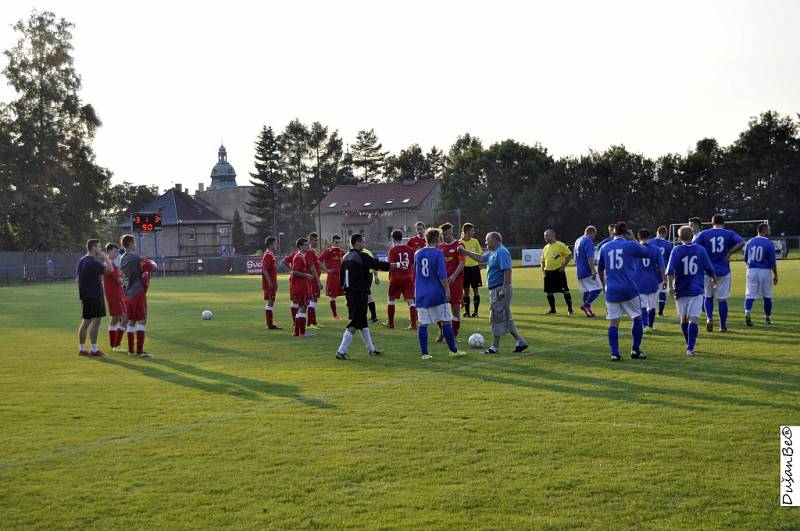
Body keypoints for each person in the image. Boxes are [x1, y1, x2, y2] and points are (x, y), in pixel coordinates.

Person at [335, 234, 404, 360]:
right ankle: (341, 351)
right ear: (356, 243)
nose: (364, 245)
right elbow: (378, 264)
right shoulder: (361, 256)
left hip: (351, 293)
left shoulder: (345, 257)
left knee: (362, 322)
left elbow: (341, 278)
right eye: (362, 243)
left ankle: (371, 349)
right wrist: (399, 265)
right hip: (358, 293)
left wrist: (347, 293)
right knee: (354, 323)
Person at [460, 231, 527, 355]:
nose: (486, 242)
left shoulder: (501, 252)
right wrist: (464, 252)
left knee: (495, 318)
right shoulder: (492, 252)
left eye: (488, 240)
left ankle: (494, 347)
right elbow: (479, 258)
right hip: (496, 290)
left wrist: (504, 289)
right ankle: (520, 341)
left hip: (499, 289)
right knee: (506, 317)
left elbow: (508, 271)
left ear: (496, 240)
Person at [597, 222, 650, 361]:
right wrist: (633, 238)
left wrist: (603, 285)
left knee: (613, 322)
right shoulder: (630, 244)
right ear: (626, 233)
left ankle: (615, 353)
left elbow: (600, 268)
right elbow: (646, 252)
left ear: (613, 233)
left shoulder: (604, 247)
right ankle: (635, 350)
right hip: (629, 288)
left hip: (612, 290)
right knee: (637, 318)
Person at [414, 228, 468, 359]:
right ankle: (453, 351)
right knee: (445, 321)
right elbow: (442, 276)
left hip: (421, 294)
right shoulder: (438, 253)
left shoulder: (417, 253)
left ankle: (425, 354)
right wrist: (447, 291)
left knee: (423, 324)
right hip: (436, 293)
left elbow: (415, 273)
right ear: (437, 239)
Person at [667, 226, 717, 356]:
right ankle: (690, 348)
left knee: (684, 319)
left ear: (679, 238)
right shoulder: (700, 249)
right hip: (696, 289)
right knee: (693, 319)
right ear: (692, 236)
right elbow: (709, 267)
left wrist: (670, 287)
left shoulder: (676, 250)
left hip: (681, 289)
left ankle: (689, 344)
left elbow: (670, 270)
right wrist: (714, 278)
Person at [692, 214, 745, 332]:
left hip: (708, 270)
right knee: (722, 299)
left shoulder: (705, 233)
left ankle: (709, 318)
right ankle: (722, 326)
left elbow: (694, 245)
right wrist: (729, 253)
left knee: (708, 296)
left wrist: (703, 257)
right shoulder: (729, 233)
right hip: (723, 270)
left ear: (712, 223)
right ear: (723, 223)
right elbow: (742, 243)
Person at [120, 234, 157, 357]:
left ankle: (131, 350)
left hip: (127, 293)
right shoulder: (136, 257)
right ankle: (140, 351)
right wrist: (152, 264)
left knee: (131, 321)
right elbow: (151, 266)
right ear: (130, 244)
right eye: (134, 242)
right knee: (142, 320)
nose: (135, 245)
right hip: (138, 292)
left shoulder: (122, 258)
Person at [77, 239, 113, 357]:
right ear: (93, 248)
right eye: (99, 247)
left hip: (84, 295)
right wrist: (106, 258)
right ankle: (93, 350)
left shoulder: (81, 261)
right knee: (96, 321)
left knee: (86, 321)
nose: (100, 249)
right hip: (95, 295)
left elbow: (78, 279)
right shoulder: (93, 262)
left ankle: (82, 349)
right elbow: (110, 270)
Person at [743, 223, 778, 326]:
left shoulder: (750, 242)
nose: (770, 232)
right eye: (769, 230)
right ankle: (767, 318)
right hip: (764, 271)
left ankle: (747, 313)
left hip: (752, 270)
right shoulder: (769, 244)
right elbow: (772, 262)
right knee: (767, 296)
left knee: (750, 294)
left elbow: (745, 258)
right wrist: (775, 275)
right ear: (764, 231)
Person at [437, 223, 465, 340]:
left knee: (455, 309)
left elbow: (462, 263)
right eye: (442, 234)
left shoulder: (459, 245)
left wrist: (454, 276)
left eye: (446, 234)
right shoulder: (439, 247)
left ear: (451, 233)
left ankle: (453, 335)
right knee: (438, 309)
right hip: (442, 283)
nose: (444, 237)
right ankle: (443, 331)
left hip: (456, 281)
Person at [635, 229, 666, 332]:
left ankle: (645, 325)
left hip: (639, 280)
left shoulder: (635, 249)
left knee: (642, 304)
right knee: (652, 304)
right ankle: (650, 325)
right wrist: (664, 279)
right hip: (653, 280)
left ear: (638, 237)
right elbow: (661, 266)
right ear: (649, 237)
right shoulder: (656, 249)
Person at [386, 229, 417, 329]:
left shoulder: (392, 250)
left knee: (391, 299)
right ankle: (413, 324)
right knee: (411, 300)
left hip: (396, 277)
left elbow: (391, 265)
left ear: (393, 238)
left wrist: (390, 276)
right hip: (408, 276)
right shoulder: (410, 249)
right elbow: (412, 264)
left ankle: (391, 323)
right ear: (401, 237)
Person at [541, 229, 574, 314]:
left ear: (553, 235)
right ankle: (553, 309)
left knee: (565, 290)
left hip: (558, 271)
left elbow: (569, 255)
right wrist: (543, 268)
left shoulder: (560, 245)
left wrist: (564, 265)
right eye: (545, 236)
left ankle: (570, 309)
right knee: (549, 292)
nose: (545, 237)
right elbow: (543, 260)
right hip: (548, 272)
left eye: (547, 235)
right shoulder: (545, 247)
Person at [103, 243, 128, 351]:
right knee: (124, 318)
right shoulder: (110, 264)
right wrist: (124, 281)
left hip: (115, 294)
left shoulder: (108, 263)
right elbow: (119, 280)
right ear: (108, 251)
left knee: (115, 318)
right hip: (115, 295)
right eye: (115, 251)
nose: (117, 253)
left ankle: (113, 345)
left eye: (118, 252)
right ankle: (116, 345)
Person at [289, 238, 316, 337]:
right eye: (305, 245)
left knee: (301, 308)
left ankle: (297, 331)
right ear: (300, 246)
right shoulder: (299, 257)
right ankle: (303, 331)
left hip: (300, 286)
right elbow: (294, 271)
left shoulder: (302, 256)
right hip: (300, 287)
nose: (307, 246)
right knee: (303, 307)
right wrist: (306, 275)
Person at [574, 225, 602, 317]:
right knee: (598, 288)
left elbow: (575, 258)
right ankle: (586, 305)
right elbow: (589, 257)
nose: (594, 237)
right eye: (595, 235)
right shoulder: (588, 241)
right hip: (587, 270)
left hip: (579, 270)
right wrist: (593, 270)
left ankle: (588, 312)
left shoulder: (578, 240)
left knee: (586, 291)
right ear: (592, 232)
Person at [319, 235, 346, 320]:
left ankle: (352, 315)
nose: (338, 244)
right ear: (333, 242)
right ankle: (335, 315)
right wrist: (326, 270)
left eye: (339, 242)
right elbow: (319, 260)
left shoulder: (342, 251)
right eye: (336, 242)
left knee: (348, 294)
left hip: (342, 277)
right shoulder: (328, 251)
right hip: (333, 277)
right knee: (332, 296)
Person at [460, 223, 483, 318]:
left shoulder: (475, 241)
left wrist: (480, 264)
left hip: (474, 269)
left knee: (475, 290)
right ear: (466, 231)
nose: (473, 232)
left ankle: (476, 312)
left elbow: (480, 253)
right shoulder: (460, 243)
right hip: (464, 269)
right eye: (472, 230)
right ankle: (467, 312)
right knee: (465, 291)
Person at [651, 226, 673, 316]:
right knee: (663, 291)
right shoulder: (667, 244)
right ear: (665, 233)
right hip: (663, 269)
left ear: (657, 231)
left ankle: (651, 309)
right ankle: (660, 310)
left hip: (652, 270)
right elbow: (670, 257)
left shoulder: (651, 242)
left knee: (653, 292)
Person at [305, 232, 324, 329]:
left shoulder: (314, 251)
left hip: (315, 278)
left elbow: (317, 263)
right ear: (311, 240)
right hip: (313, 279)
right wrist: (318, 280)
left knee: (315, 299)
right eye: (315, 240)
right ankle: (309, 323)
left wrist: (326, 269)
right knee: (312, 299)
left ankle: (314, 322)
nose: (317, 242)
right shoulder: (309, 251)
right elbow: (311, 267)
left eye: (317, 240)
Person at [261, 236, 281, 329]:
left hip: (272, 283)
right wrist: (269, 282)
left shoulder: (271, 254)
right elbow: (264, 269)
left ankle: (270, 324)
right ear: (270, 244)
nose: (276, 245)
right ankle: (269, 324)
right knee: (270, 302)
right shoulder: (268, 255)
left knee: (271, 302)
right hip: (270, 284)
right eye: (275, 243)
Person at [362, 246, 380, 323]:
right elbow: (374, 264)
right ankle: (373, 316)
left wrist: (376, 276)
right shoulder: (368, 252)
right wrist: (376, 276)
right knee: (367, 294)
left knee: (366, 295)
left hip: (365, 275)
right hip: (368, 275)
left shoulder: (363, 252)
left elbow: (374, 264)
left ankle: (372, 317)